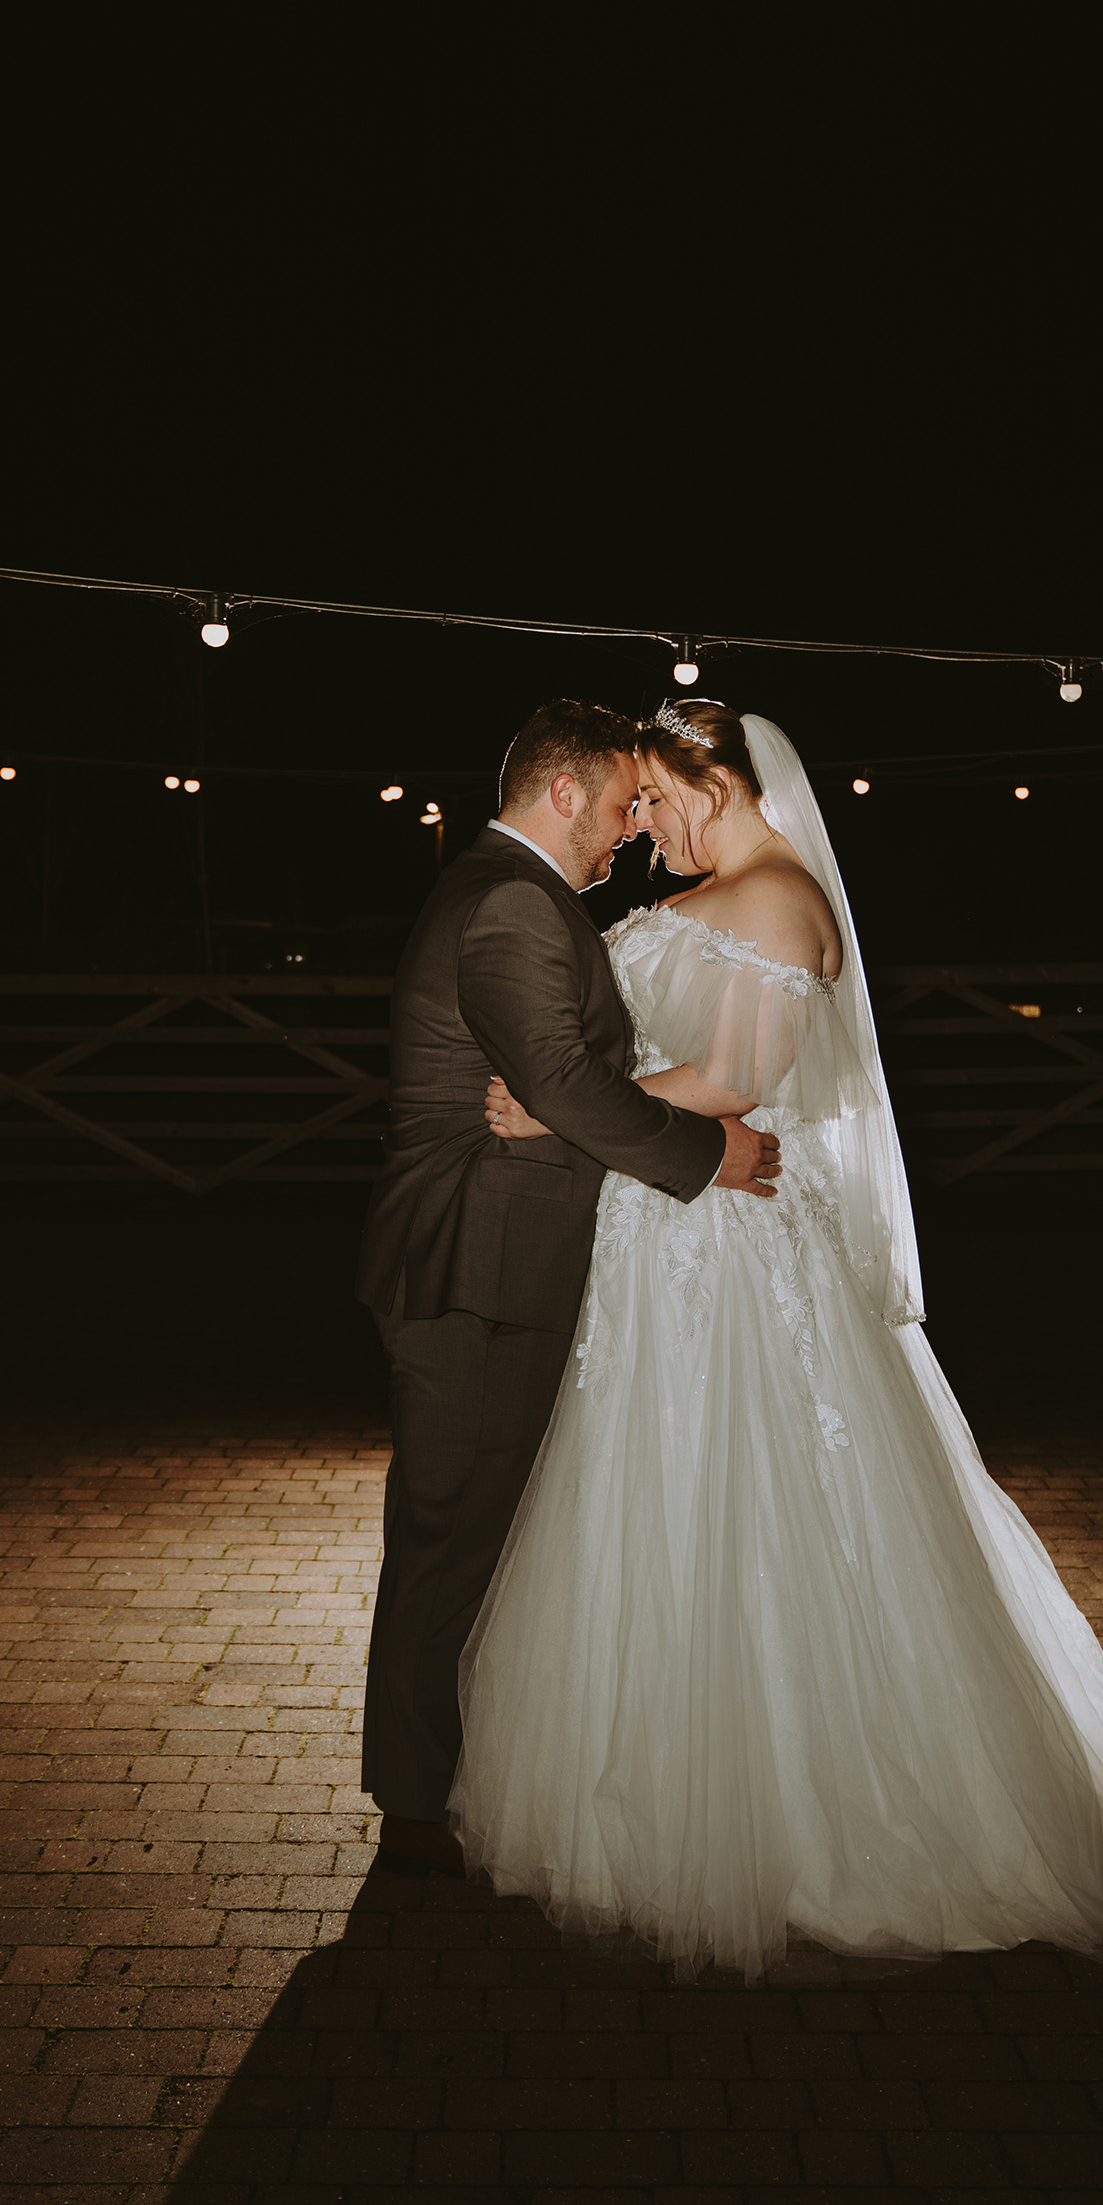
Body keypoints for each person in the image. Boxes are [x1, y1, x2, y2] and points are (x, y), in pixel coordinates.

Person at [456, 699, 1103, 1977]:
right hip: (668, 1229)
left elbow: (728, 1084)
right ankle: (653, 1792)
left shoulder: (777, 901)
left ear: (702, 785)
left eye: (649, 800)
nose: (640, 829)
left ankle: (809, 1819)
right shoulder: (737, 887)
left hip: (731, 1245)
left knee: (754, 1498)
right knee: (654, 1489)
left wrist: (556, 1114)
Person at [354, 698, 783, 1874]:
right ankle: (417, 1796)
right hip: (475, 1259)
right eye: (614, 807)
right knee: (454, 1531)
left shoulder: (511, 892)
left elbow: (559, 1083)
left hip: (493, 1255)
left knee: (468, 1527)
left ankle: (430, 1773)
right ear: (562, 793)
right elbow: (556, 1076)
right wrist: (715, 1155)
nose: (624, 834)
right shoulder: (511, 900)